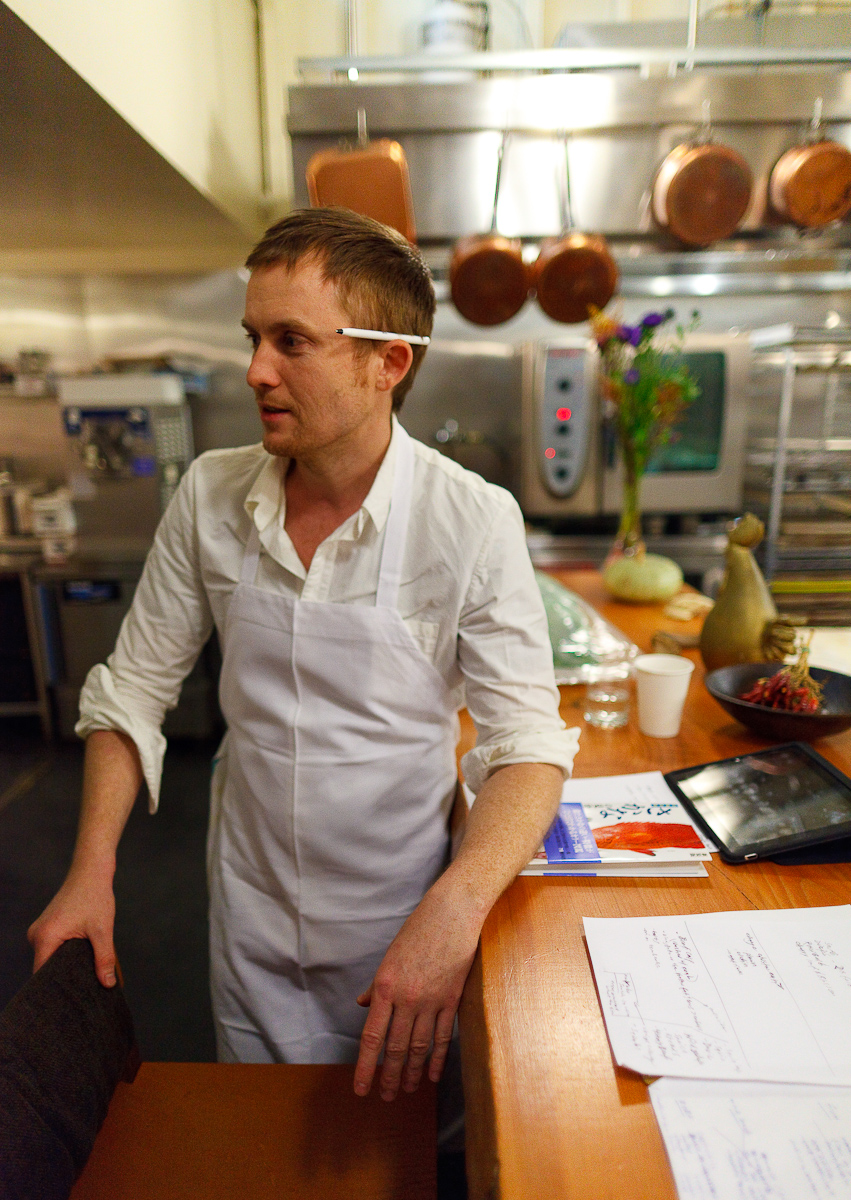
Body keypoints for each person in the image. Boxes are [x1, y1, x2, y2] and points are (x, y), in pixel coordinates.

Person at [28, 208, 579, 1105]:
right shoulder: (211, 494)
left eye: (291, 341)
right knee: (263, 1130)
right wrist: (91, 870)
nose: (255, 371)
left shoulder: (471, 521)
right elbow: (131, 692)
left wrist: (456, 908)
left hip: (400, 915)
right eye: (253, 337)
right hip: (251, 909)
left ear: (386, 362)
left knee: (400, 1145)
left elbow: (527, 748)